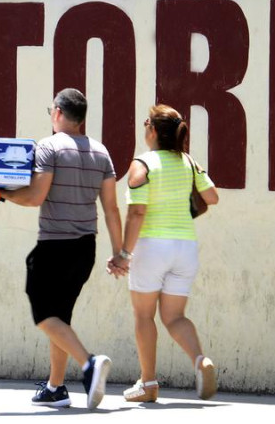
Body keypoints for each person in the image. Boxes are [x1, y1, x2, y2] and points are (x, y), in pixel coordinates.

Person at [0, 88, 123, 410]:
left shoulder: (49, 147)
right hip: (86, 248)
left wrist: (0, 194)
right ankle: (56, 388)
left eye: (51, 111)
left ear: (58, 112)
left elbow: (34, 197)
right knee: (61, 319)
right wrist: (120, 253)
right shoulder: (101, 152)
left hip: (54, 247)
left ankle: (89, 364)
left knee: (45, 316)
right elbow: (112, 209)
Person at [107, 104, 219, 404]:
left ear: (153, 130)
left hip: (151, 247)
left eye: (146, 122)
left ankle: (148, 383)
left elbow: (138, 212)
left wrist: (123, 254)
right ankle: (200, 361)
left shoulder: (142, 164)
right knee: (174, 317)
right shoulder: (188, 162)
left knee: (144, 315)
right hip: (185, 247)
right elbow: (212, 196)